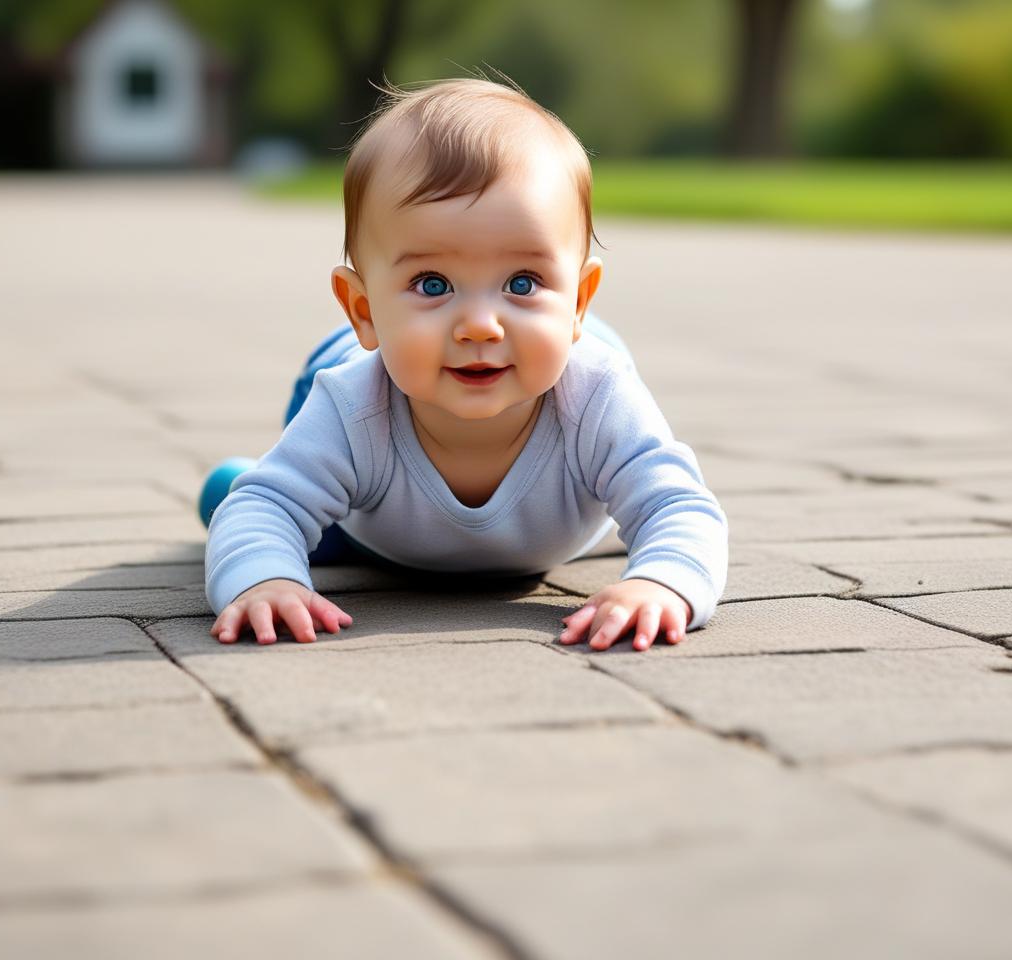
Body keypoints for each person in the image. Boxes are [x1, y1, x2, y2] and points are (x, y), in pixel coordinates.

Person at [201, 75, 728, 652]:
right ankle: (271, 477)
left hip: (560, 378)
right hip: (378, 526)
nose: (480, 324)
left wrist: (661, 582)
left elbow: (678, 504)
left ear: (577, 301)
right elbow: (266, 508)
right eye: (433, 283)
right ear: (364, 308)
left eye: (521, 281)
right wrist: (264, 578)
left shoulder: (598, 396)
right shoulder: (353, 406)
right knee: (255, 503)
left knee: (616, 434)